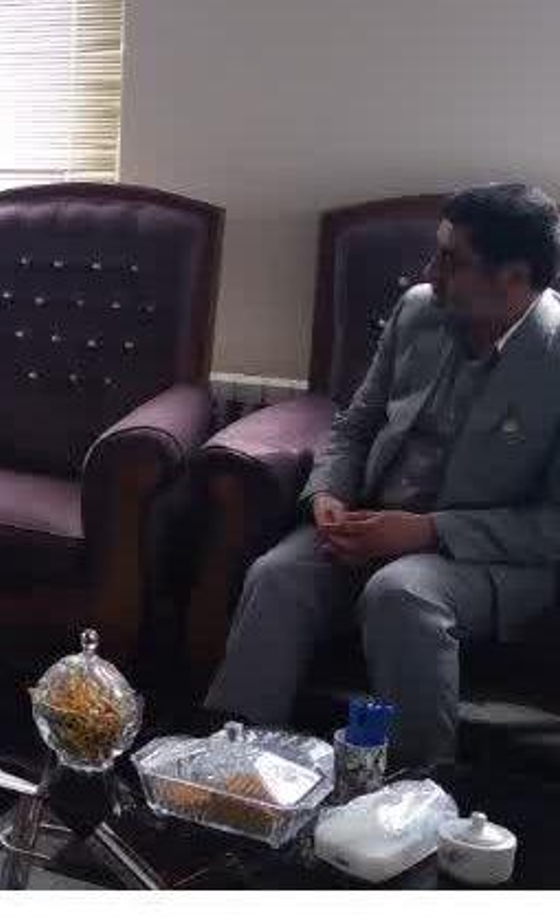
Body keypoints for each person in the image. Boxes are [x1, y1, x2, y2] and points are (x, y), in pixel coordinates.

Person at [206, 183, 560, 768]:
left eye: (451, 261)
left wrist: (427, 532)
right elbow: (356, 423)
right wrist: (328, 493)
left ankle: (418, 787)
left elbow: (551, 526)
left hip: (480, 557)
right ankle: (234, 770)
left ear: (514, 277)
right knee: (277, 576)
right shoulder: (419, 310)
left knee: (400, 593)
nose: (430, 273)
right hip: (369, 521)